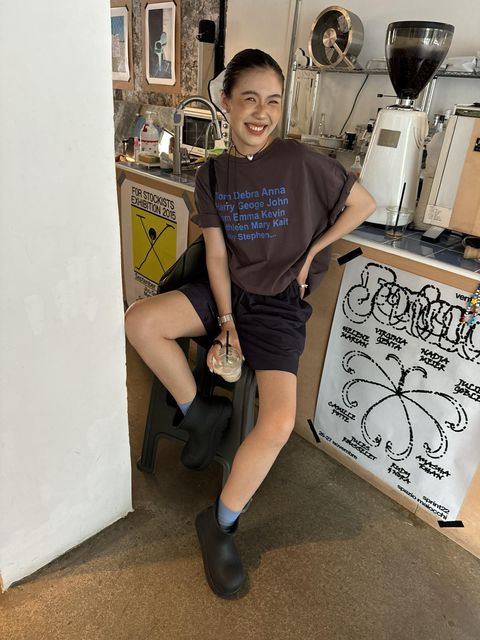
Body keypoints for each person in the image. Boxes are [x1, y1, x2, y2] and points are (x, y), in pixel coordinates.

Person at [125, 48, 376, 599]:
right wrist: (226, 321)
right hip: (229, 292)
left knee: (279, 421)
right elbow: (216, 255)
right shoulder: (213, 173)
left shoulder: (300, 160)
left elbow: (363, 204)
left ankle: (220, 524)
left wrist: (314, 251)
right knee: (141, 321)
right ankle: (199, 412)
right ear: (227, 102)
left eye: (273, 101)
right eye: (250, 99)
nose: (261, 113)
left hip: (280, 304)